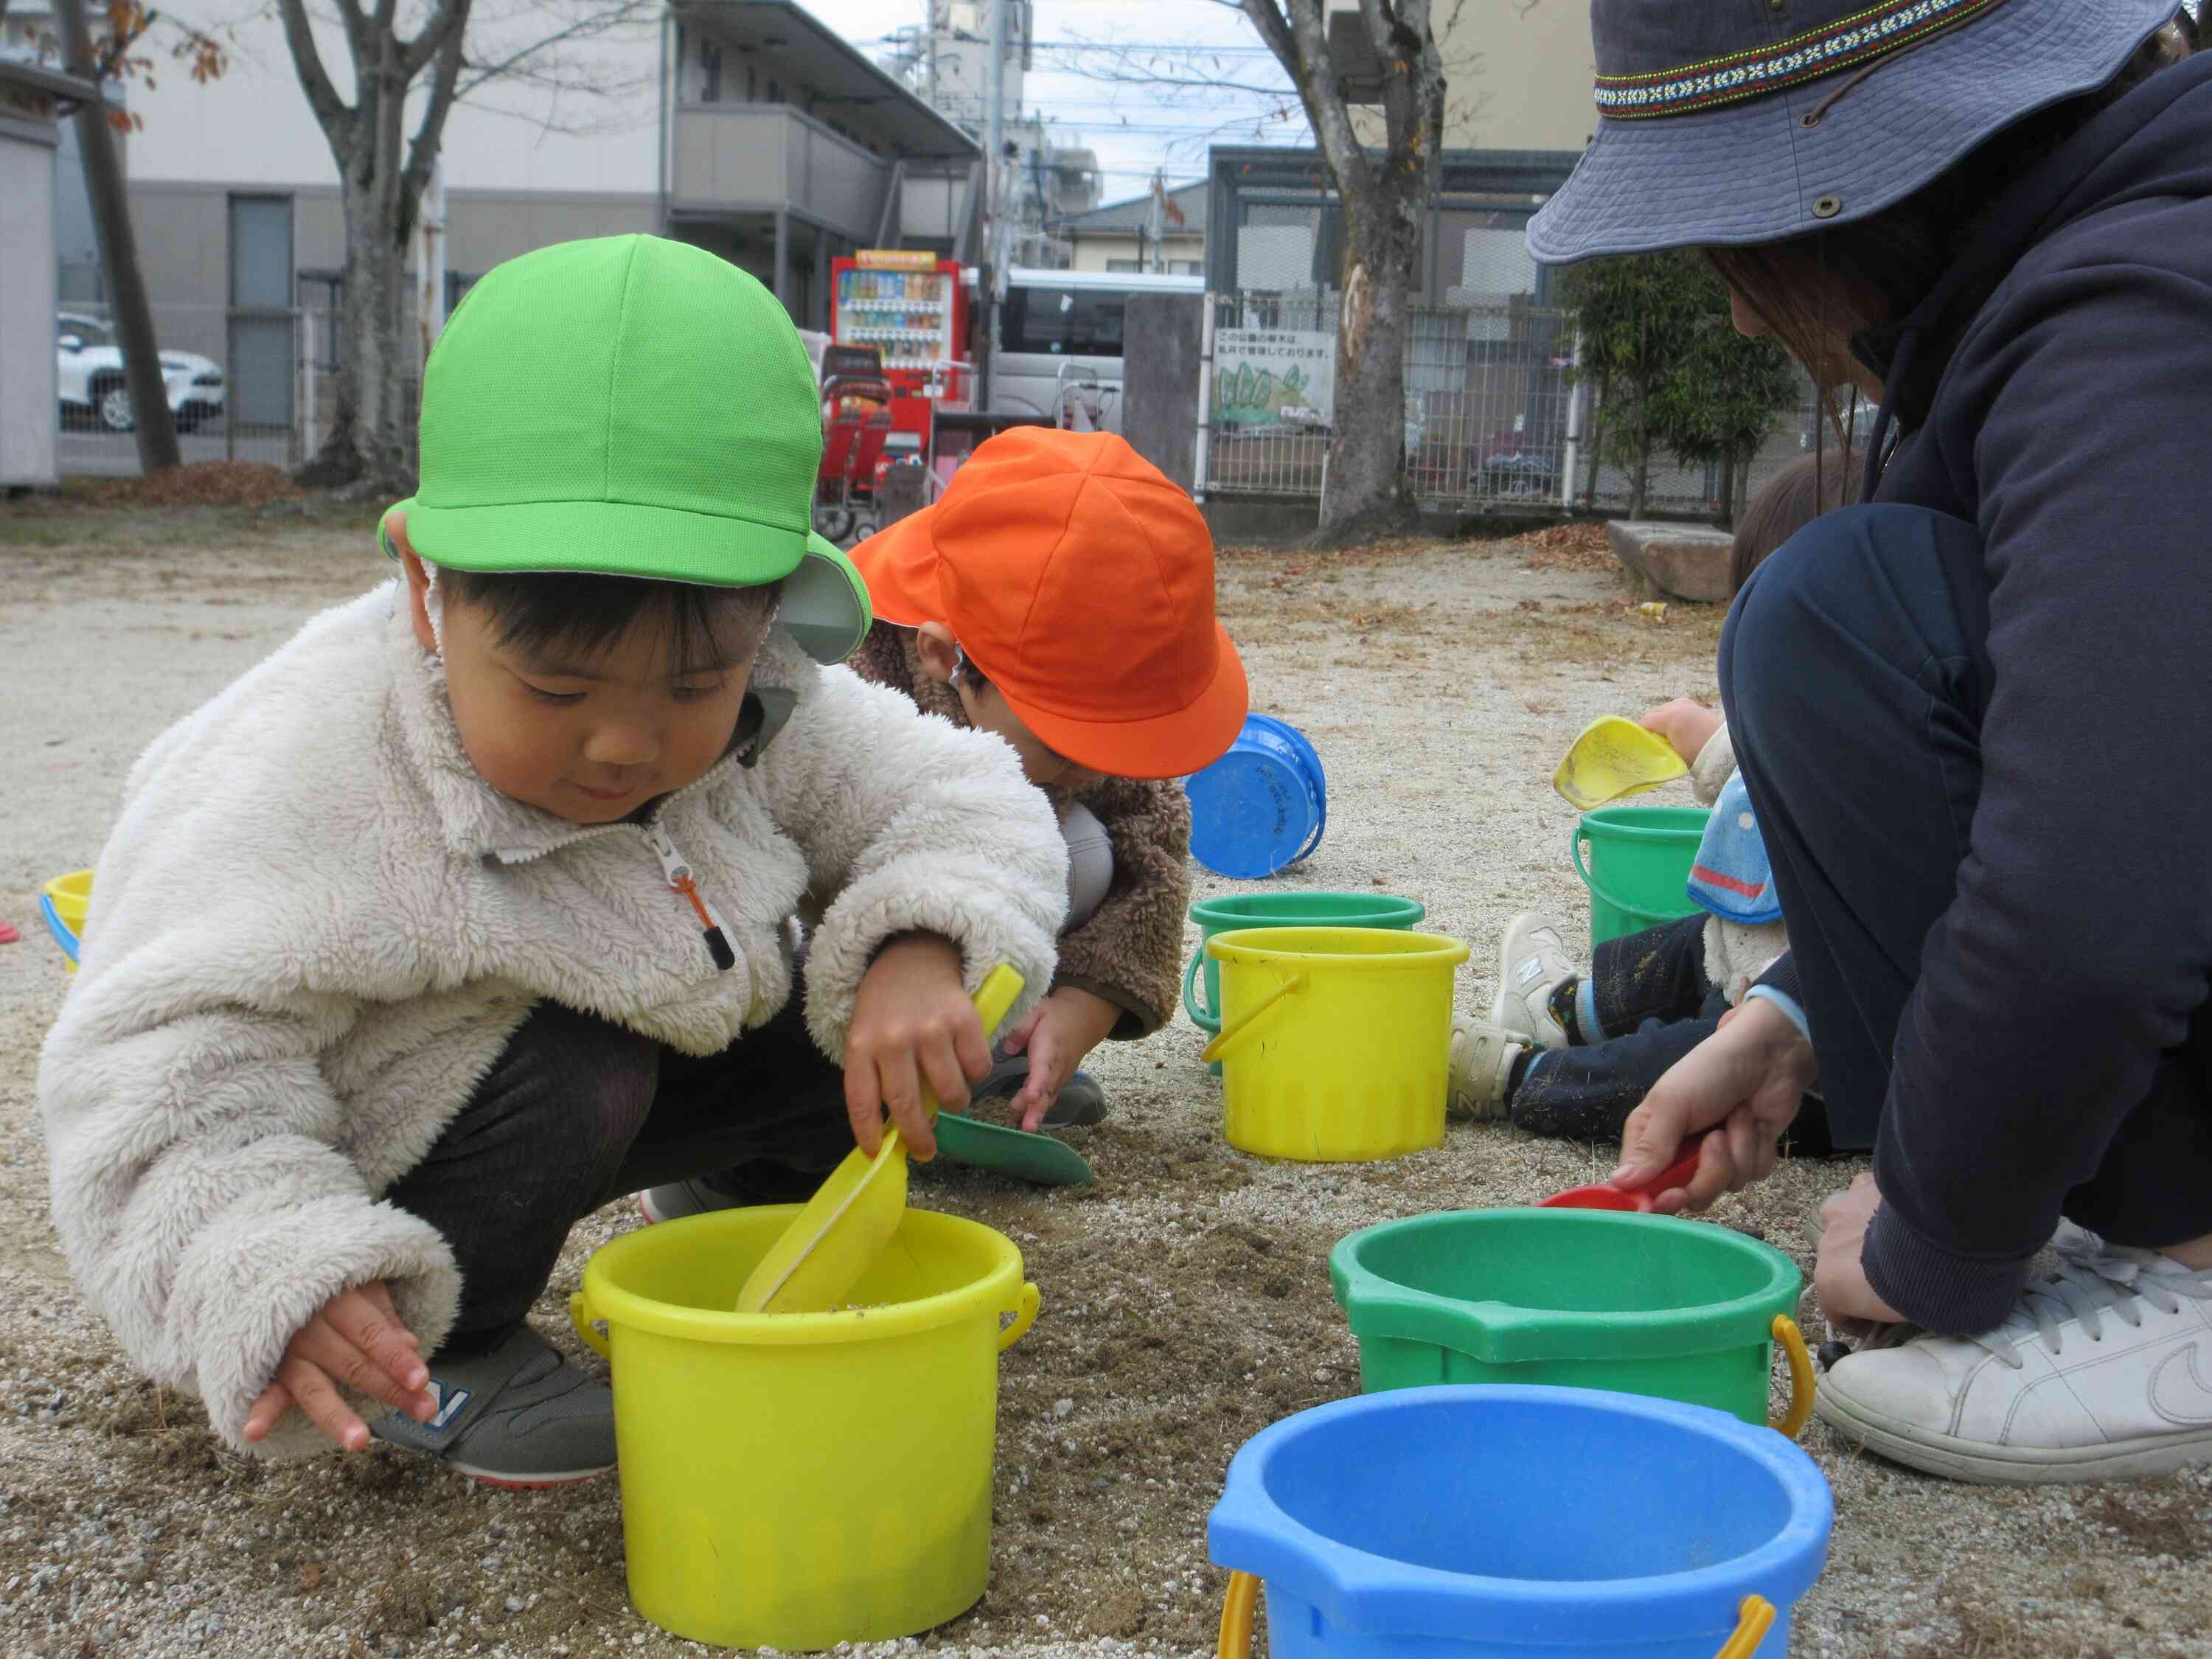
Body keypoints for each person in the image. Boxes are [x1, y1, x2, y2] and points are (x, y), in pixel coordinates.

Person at [35, 235, 1071, 1488]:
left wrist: (923, 943)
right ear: (427, 588)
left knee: (880, 1010)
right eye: (556, 687)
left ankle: (744, 1185)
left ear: (763, 616)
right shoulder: (299, 771)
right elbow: (152, 1076)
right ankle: (453, 1348)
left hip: (646, 1022)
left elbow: (961, 790)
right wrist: (269, 1263)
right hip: (384, 1145)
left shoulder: (775, 691)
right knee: (586, 1070)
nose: (627, 744)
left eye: (695, 683)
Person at [1531, 1, 2212, 1483]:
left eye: (1738, 237)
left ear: (1893, 179)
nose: (1734, 309)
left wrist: (1938, 1241)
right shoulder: (2125, 255)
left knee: (1832, 615)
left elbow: (2101, 876)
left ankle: (2192, 1269)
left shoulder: (2138, 319)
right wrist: (1799, 1019)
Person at [643, 428, 1249, 1227]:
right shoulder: (850, 670)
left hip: (981, 903)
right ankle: (736, 1158)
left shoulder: (1086, 696)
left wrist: (1081, 1007)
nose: (1095, 770)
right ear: (943, 658)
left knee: (1090, 857)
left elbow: (1156, 856)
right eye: (1066, 746)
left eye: (1116, 745)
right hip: (832, 932)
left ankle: (994, 1060)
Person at [1448, 455, 1853, 1144]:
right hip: (1752, 971)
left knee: (1676, 1061)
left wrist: (1713, 745)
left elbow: (1804, 797)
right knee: (1692, 943)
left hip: (1811, 1067)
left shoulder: (1877, 740)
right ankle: (1563, 1007)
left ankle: (1519, 1077)